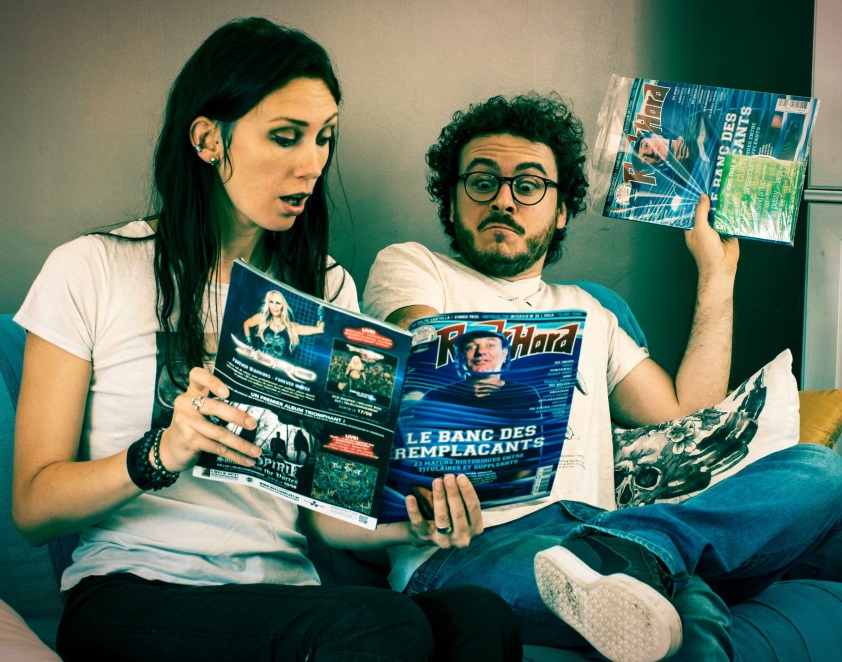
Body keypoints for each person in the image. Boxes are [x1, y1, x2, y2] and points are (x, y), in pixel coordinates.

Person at [11, 19, 522, 662]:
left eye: (324, 138)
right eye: (285, 137)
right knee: (382, 626)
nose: (311, 165)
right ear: (208, 139)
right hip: (131, 593)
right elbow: (34, 507)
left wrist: (416, 521)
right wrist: (163, 451)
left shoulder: (326, 288)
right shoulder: (91, 267)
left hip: (284, 599)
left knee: (479, 617)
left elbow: (327, 517)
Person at [360, 93, 842, 662]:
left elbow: (688, 415)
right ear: (452, 199)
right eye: (482, 182)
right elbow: (429, 362)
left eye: (529, 185)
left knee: (818, 470)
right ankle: (664, 570)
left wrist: (717, 273)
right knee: (664, 595)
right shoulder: (414, 266)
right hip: (471, 545)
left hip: (603, 529)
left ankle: (647, 555)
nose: (504, 200)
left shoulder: (591, 311)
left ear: (562, 209)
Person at [243, 289, 324, 359]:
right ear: (268, 304)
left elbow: (320, 329)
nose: (274, 306)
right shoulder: (262, 318)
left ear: (283, 306)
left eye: (278, 303)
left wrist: (321, 310)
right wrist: (249, 345)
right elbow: (246, 324)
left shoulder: (292, 327)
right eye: (271, 302)